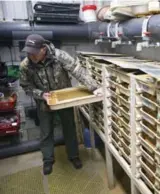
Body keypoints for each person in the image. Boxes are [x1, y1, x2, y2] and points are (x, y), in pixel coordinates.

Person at [20, 34, 102, 175]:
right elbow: (26, 87)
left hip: (64, 99)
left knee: (69, 128)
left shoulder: (59, 56)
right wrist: (40, 95)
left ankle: (74, 156)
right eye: (28, 52)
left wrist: (94, 87)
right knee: (46, 132)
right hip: (44, 102)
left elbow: (77, 70)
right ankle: (48, 160)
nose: (30, 55)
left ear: (43, 49)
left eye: (33, 52)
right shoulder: (26, 65)